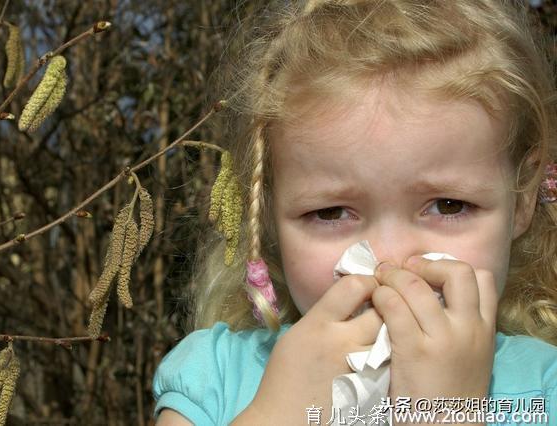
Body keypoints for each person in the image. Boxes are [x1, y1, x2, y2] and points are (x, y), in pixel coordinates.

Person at [153, 0, 557, 424]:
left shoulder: (544, 390)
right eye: (331, 213)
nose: (388, 259)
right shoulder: (215, 377)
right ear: (268, 213)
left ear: (523, 198)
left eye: (448, 205)